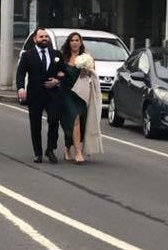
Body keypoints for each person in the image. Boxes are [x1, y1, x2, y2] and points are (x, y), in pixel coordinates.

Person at [16, 27, 67, 163]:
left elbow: (63, 71)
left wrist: (57, 80)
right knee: (35, 124)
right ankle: (37, 153)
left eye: (46, 37)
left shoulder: (56, 54)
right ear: (35, 39)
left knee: (54, 120)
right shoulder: (28, 55)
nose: (44, 39)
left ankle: (50, 149)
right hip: (35, 94)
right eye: (41, 37)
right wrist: (21, 88)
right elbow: (20, 73)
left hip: (53, 94)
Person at [59, 31, 104, 164]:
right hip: (66, 93)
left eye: (77, 40)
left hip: (80, 93)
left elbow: (92, 74)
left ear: (81, 42)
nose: (74, 43)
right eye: (72, 40)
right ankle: (78, 152)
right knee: (74, 119)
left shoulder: (87, 57)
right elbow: (57, 71)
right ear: (69, 42)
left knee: (78, 121)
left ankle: (68, 147)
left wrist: (87, 70)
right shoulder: (63, 57)